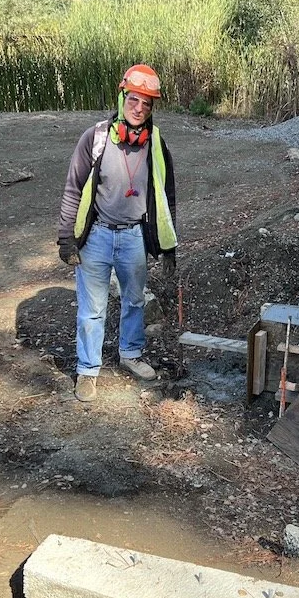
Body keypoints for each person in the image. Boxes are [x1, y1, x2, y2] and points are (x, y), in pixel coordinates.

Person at [56, 64, 178, 402]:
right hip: (96, 236)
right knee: (91, 309)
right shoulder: (93, 139)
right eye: (134, 99)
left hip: (134, 238)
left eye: (148, 103)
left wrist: (168, 246)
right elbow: (72, 189)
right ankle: (87, 370)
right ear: (122, 96)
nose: (139, 108)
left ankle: (131, 354)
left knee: (135, 301)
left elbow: (166, 198)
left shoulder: (156, 145)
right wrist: (67, 238)